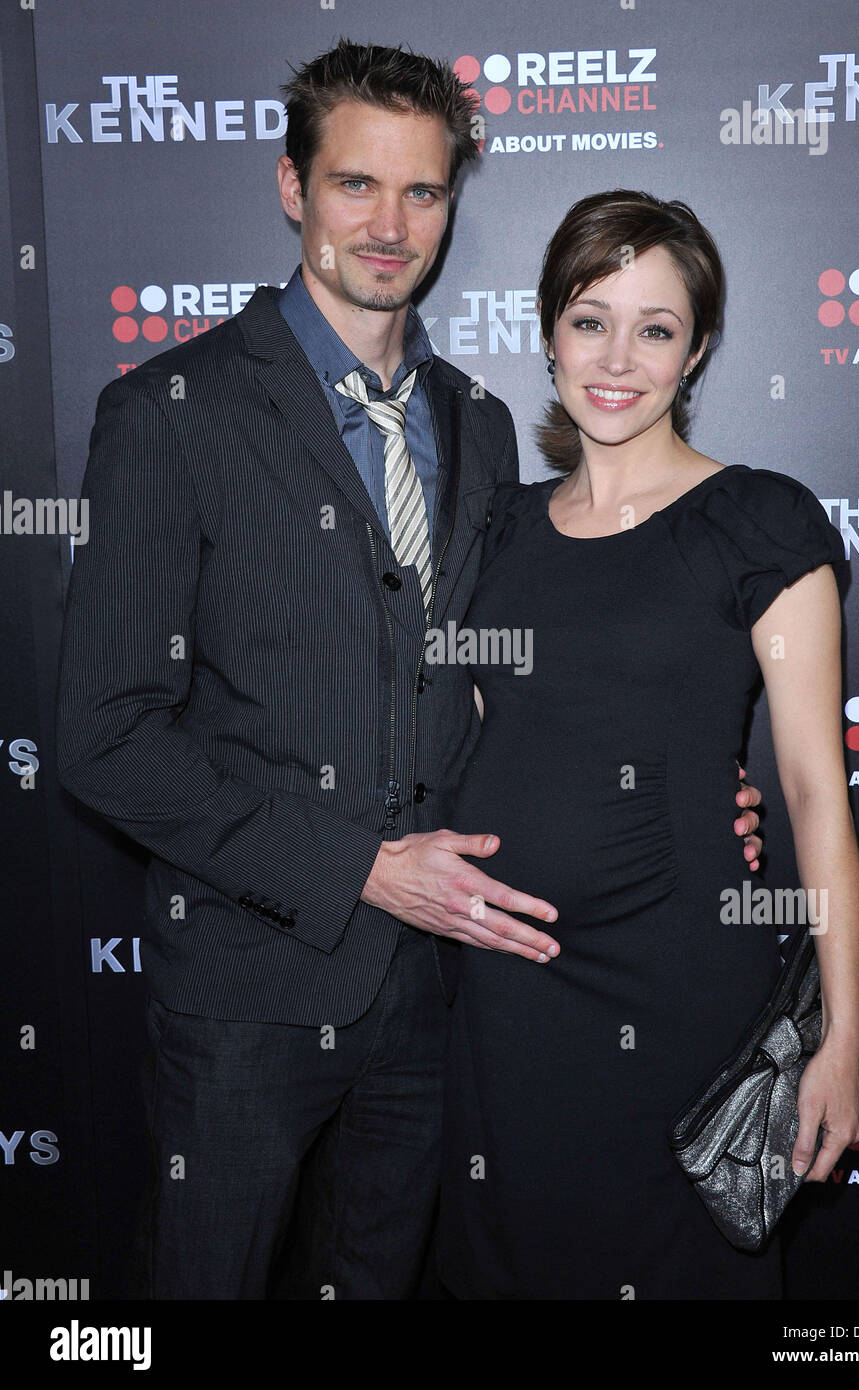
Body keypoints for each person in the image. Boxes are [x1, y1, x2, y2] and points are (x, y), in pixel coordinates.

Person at [54, 41, 764, 1301]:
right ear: (292, 187)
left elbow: (514, 684)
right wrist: (358, 869)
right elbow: (106, 733)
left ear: (452, 205)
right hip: (248, 994)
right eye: (354, 186)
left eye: (423, 192)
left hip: (447, 998)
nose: (389, 226)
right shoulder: (171, 412)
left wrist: (683, 791)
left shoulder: (478, 426)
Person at [436, 190, 859, 1301]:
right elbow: (489, 738)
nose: (617, 357)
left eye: (656, 327)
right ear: (547, 333)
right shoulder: (497, 527)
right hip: (505, 994)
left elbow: (817, 791)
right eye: (591, 319)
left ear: (699, 348)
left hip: (681, 988)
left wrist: (841, 1034)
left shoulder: (756, 520)